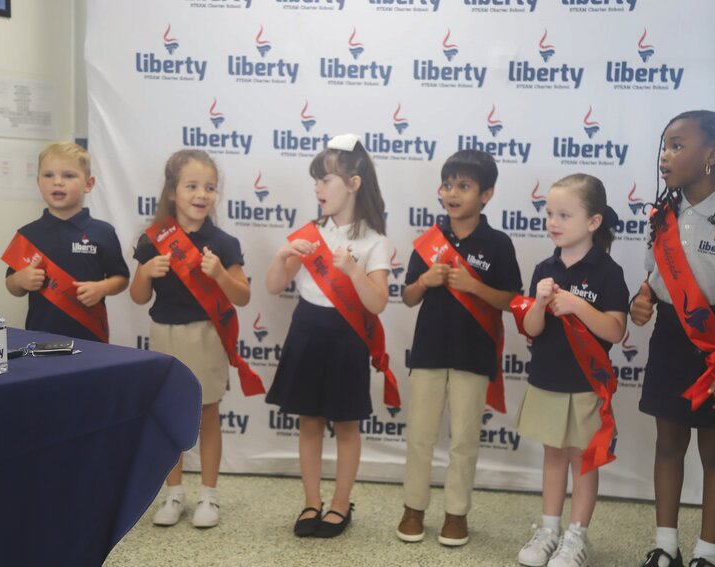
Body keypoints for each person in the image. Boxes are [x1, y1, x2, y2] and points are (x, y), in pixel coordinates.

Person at [631, 111, 715, 567]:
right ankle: (665, 545)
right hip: (670, 337)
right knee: (668, 442)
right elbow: (653, 279)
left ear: (712, 156)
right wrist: (642, 299)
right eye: (664, 146)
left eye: (677, 145)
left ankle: (707, 553)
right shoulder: (659, 217)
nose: (665, 156)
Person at [265, 134, 392, 539]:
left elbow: (377, 304)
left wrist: (354, 271)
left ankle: (340, 504)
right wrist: (283, 256)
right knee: (309, 422)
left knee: (347, 423)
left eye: (326, 180)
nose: (318, 189)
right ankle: (311, 501)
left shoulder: (374, 240)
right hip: (307, 329)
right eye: (316, 181)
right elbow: (272, 286)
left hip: (347, 337)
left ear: (353, 184)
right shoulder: (309, 233)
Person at [397, 150, 522, 547]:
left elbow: (510, 300)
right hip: (429, 353)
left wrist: (474, 288)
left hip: (474, 354)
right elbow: (408, 297)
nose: (453, 193)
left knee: (464, 439)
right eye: (448, 185)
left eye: (464, 186)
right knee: (419, 435)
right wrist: (425, 282)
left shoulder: (498, 243)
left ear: (486, 195)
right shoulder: (428, 242)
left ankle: (456, 514)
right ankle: (413, 509)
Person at [131, 149, 255, 529]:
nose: (201, 194)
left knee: (207, 413)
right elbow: (138, 297)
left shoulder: (223, 242)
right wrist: (147, 272)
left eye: (210, 187)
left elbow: (243, 296)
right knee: (169, 416)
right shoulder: (153, 240)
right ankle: (173, 493)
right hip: (165, 334)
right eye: (192, 186)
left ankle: (209, 495)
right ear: (173, 192)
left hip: (206, 335)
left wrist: (219, 273)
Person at [513, 173, 628, 567]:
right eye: (549, 213)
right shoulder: (545, 268)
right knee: (553, 456)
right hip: (547, 379)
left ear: (593, 222)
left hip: (586, 385)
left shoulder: (608, 272)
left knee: (583, 459)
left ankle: (576, 536)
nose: (553, 222)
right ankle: (548, 530)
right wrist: (540, 304)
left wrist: (578, 305)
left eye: (564, 214)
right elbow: (530, 329)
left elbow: (615, 330)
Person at [2, 141, 129, 342]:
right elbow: (11, 284)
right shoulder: (27, 234)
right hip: (40, 336)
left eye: (68, 175)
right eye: (48, 175)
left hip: (91, 337)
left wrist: (102, 288)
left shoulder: (103, 232)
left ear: (88, 184)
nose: (57, 182)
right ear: (38, 182)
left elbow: (121, 279)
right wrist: (20, 280)